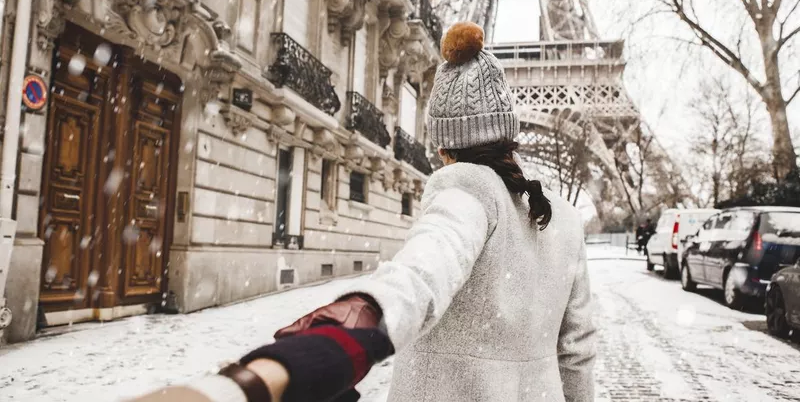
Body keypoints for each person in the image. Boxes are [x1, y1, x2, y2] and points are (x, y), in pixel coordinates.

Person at [128, 22, 596, 402]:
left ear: (443, 144)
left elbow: (421, 274)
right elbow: (576, 353)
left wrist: (346, 327)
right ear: (507, 131)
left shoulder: (468, 190)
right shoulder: (565, 220)